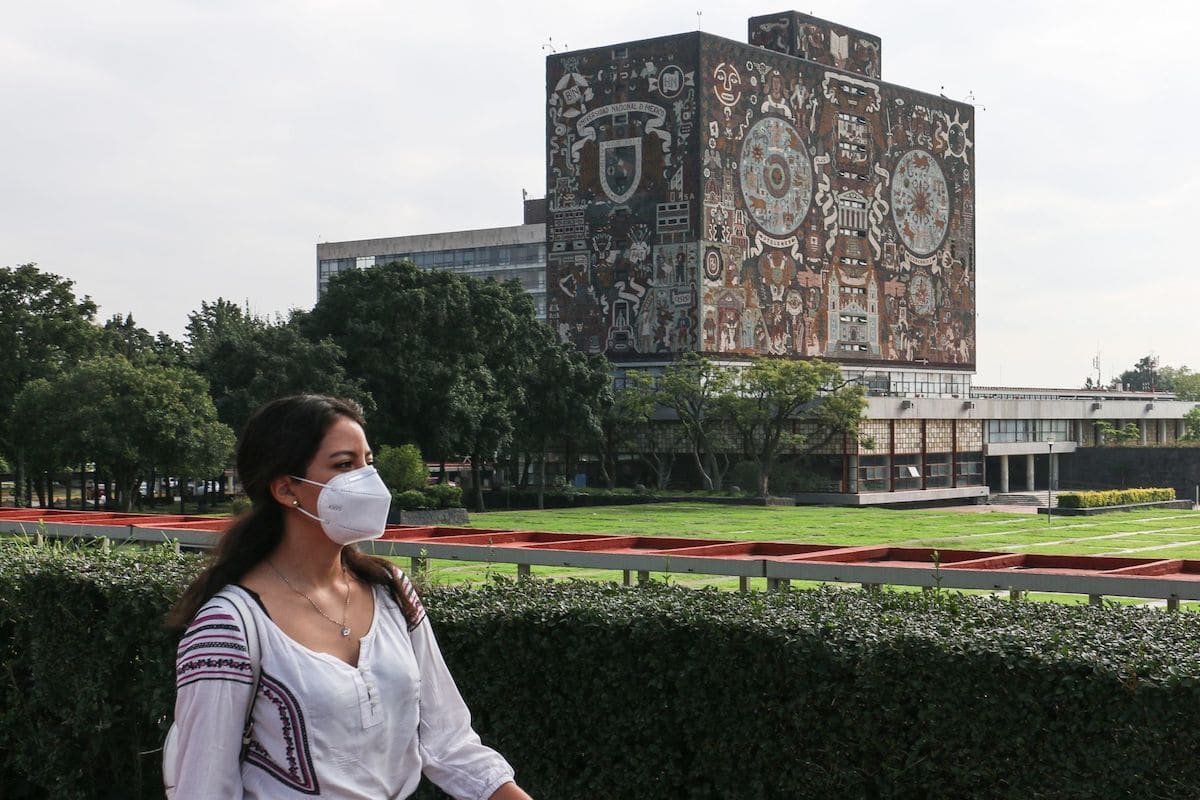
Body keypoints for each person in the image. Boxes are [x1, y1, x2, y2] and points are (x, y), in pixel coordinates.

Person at [167, 395, 532, 800]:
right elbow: (203, 786)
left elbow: (448, 741)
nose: (367, 480)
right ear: (287, 489)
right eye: (344, 465)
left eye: (367, 462)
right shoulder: (230, 625)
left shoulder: (391, 591)